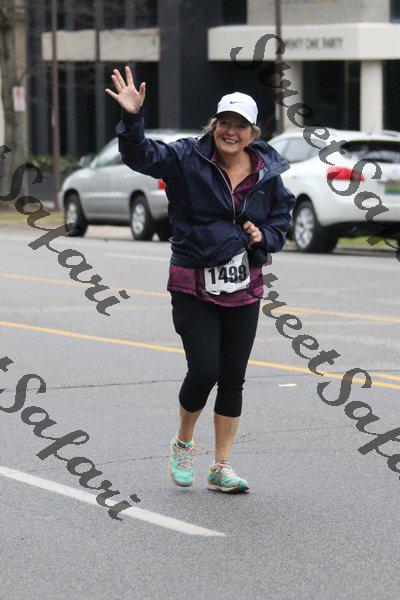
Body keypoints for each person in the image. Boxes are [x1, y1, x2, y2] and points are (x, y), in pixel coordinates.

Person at [106, 66, 295, 493]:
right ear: (214, 125)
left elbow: (281, 216)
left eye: (240, 126)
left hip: (244, 284)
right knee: (205, 369)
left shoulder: (267, 171)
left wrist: (264, 236)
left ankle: (221, 466)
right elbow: (140, 155)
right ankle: (183, 442)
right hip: (193, 280)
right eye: (224, 122)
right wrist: (132, 118)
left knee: (233, 376)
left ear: (252, 133)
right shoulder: (186, 158)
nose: (231, 132)